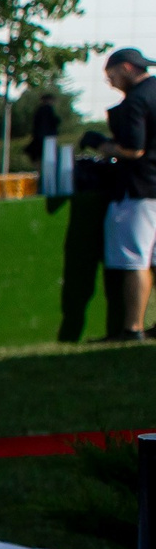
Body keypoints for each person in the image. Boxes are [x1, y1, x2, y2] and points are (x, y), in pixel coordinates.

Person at [101, 46, 156, 341]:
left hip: (140, 189)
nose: (110, 82)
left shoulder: (135, 100)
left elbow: (133, 149)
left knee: (135, 260)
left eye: (110, 75)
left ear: (125, 68)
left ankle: (132, 328)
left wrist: (102, 145)